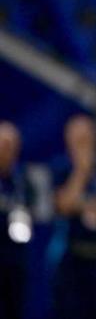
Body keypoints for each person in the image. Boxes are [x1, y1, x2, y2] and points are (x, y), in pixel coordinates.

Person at [52, 114, 96, 319]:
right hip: (70, 255)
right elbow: (64, 205)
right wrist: (82, 172)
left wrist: (84, 204)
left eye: (88, 137)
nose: (85, 143)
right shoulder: (62, 168)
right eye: (80, 139)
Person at [0, 121, 31, 319]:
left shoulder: (21, 181)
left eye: (11, 145)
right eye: (2, 144)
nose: (6, 150)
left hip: (14, 260)